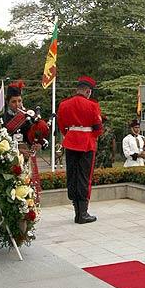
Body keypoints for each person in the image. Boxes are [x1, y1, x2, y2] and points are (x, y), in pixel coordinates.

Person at [56, 76, 103, 224]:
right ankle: (83, 213)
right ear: (88, 91)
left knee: (73, 176)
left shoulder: (64, 105)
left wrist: (71, 135)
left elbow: (62, 126)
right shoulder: (92, 105)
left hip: (70, 141)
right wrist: (90, 136)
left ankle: (77, 212)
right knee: (84, 177)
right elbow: (98, 128)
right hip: (86, 143)